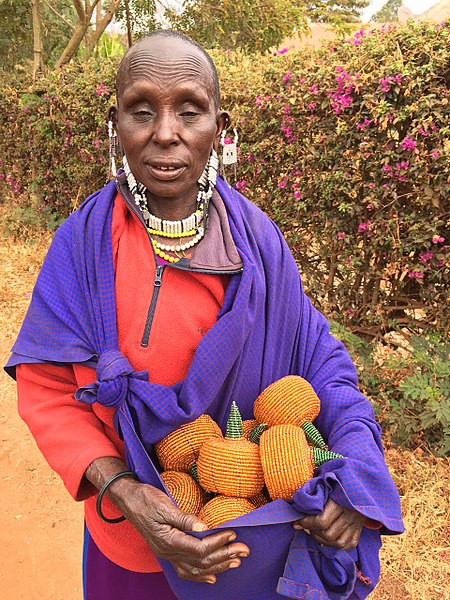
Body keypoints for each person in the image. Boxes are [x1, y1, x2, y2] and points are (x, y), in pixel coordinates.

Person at [6, 30, 403, 600]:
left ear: (222, 127)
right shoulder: (83, 247)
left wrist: (356, 471)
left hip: (251, 548)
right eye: (142, 110)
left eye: (190, 110)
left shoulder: (260, 245)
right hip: (131, 545)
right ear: (114, 125)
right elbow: (47, 390)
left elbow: (321, 364)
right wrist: (123, 489)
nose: (166, 133)